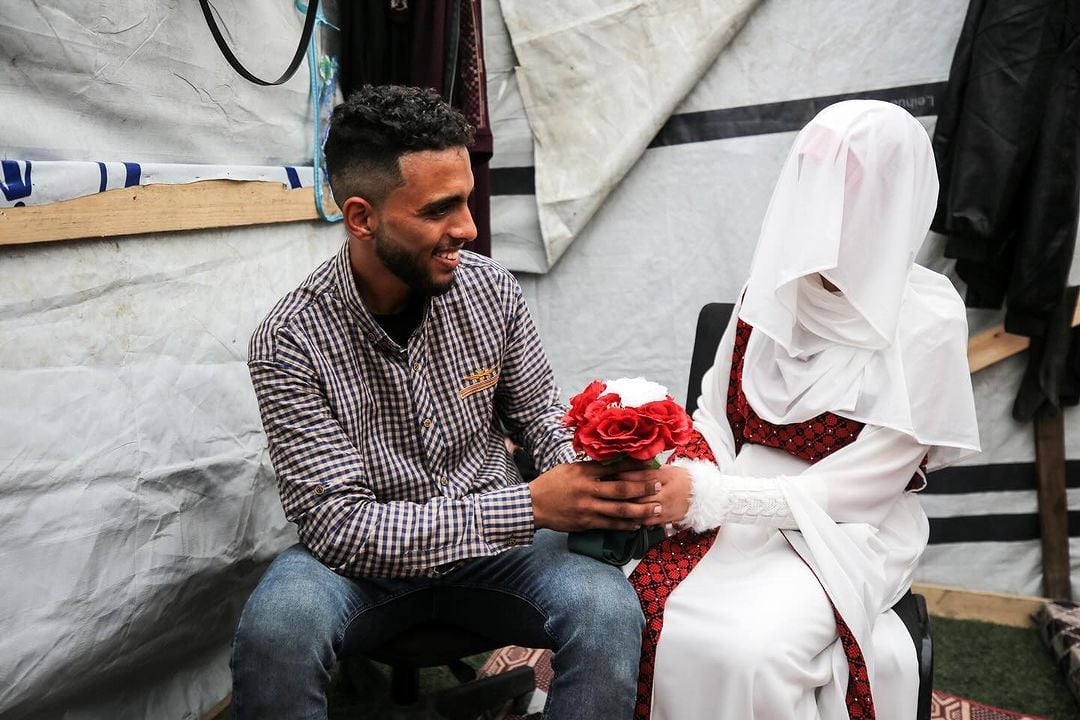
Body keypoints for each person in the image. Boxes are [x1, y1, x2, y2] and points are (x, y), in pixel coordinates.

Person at [230, 84, 657, 720]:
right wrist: (531, 504)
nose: (468, 227)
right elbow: (340, 528)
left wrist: (590, 478)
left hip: (500, 562)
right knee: (277, 629)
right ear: (361, 217)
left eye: (466, 200)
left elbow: (541, 419)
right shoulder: (289, 342)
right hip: (360, 571)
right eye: (439, 210)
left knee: (606, 608)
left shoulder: (492, 292)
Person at [623, 100, 981, 719]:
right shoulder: (764, 292)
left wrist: (713, 498)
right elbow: (711, 414)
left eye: (845, 183)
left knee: (751, 651)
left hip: (845, 531)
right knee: (641, 611)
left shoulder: (927, 319)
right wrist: (695, 480)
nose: (821, 201)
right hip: (725, 507)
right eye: (812, 176)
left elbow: (864, 488)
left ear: (894, 195)